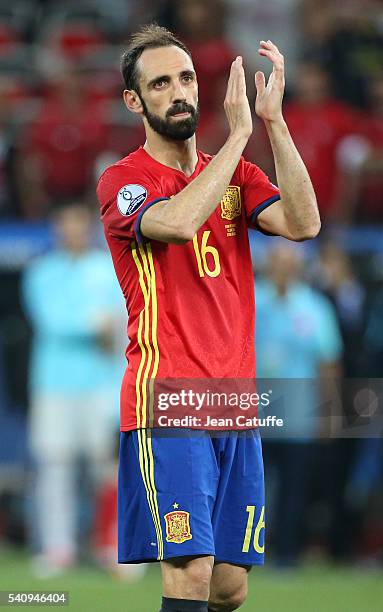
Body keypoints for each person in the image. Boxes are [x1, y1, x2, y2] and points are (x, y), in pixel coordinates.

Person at [97, 24, 320, 612]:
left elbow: (304, 224)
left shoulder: (236, 176)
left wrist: (271, 123)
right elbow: (175, 224)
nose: (180, 92)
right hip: (165, 401)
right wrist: (237, 138)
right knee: (190, 571)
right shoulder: (123, 181)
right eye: (162, 82)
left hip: (234, 402)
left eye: (188, 78)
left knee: (229, 586)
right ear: (134, 101)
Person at [22, 202, 123, 577]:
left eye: (79, 226)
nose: (73, 232)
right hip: (53, 385)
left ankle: (112, 547)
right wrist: (95, 324)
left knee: (108, 469)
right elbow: (52, 322)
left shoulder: (107, 270)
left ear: (90, 229)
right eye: (65, 226)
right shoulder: (41, 273)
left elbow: (123, 322)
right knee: (54, 467)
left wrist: (104, 327)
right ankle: (57, 548)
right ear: (56, 230)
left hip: (103, 385)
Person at [255, 242, 342, 567]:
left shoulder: (315, 307)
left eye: (289, 263)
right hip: (253, 411)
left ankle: (287, 555)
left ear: (299, 267)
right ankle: (244, 552)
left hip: (298, 412)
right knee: (250, 488)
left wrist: (330, 411)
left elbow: (329, 362)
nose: (283, 269)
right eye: (277, 262)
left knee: (294, 488)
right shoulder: (250, 299)